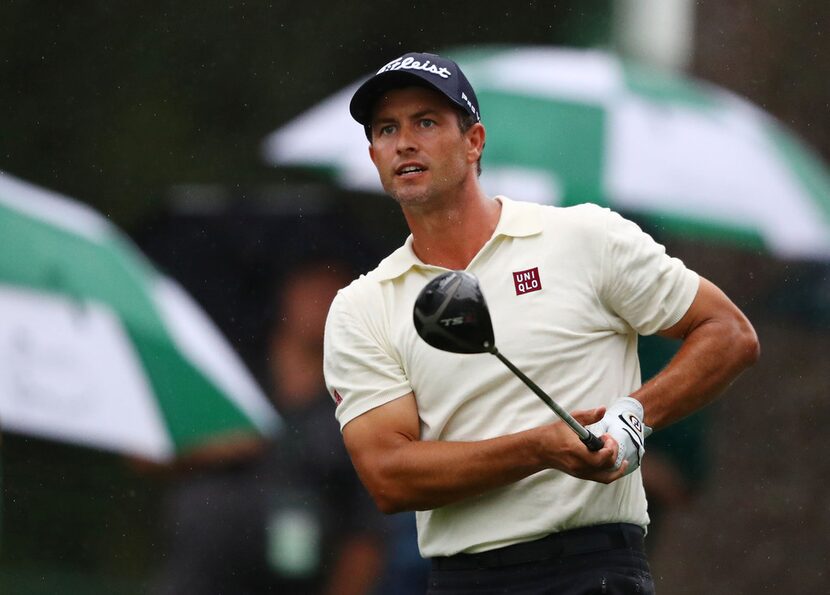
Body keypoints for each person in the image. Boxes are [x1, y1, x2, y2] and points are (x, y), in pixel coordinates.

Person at [323, 52, 760, 594]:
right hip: (465, 580)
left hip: (595, 567)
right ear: (374, 155)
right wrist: (539, 447)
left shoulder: (584, 237)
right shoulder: (361, 306)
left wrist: (635, 415)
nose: (404, 142)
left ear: (474, 141)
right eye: (387, 129)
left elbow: (729, 333)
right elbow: (389, 476)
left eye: (426, 122)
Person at [153, 260, 387, 595]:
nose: (321, 299)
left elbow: (366, 535)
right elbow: (146, 453)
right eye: (311, 285)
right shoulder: (227, 376)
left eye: (336, 289)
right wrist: (212, 446)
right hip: (194, 578)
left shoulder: (360, 405)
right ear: (285, 292)